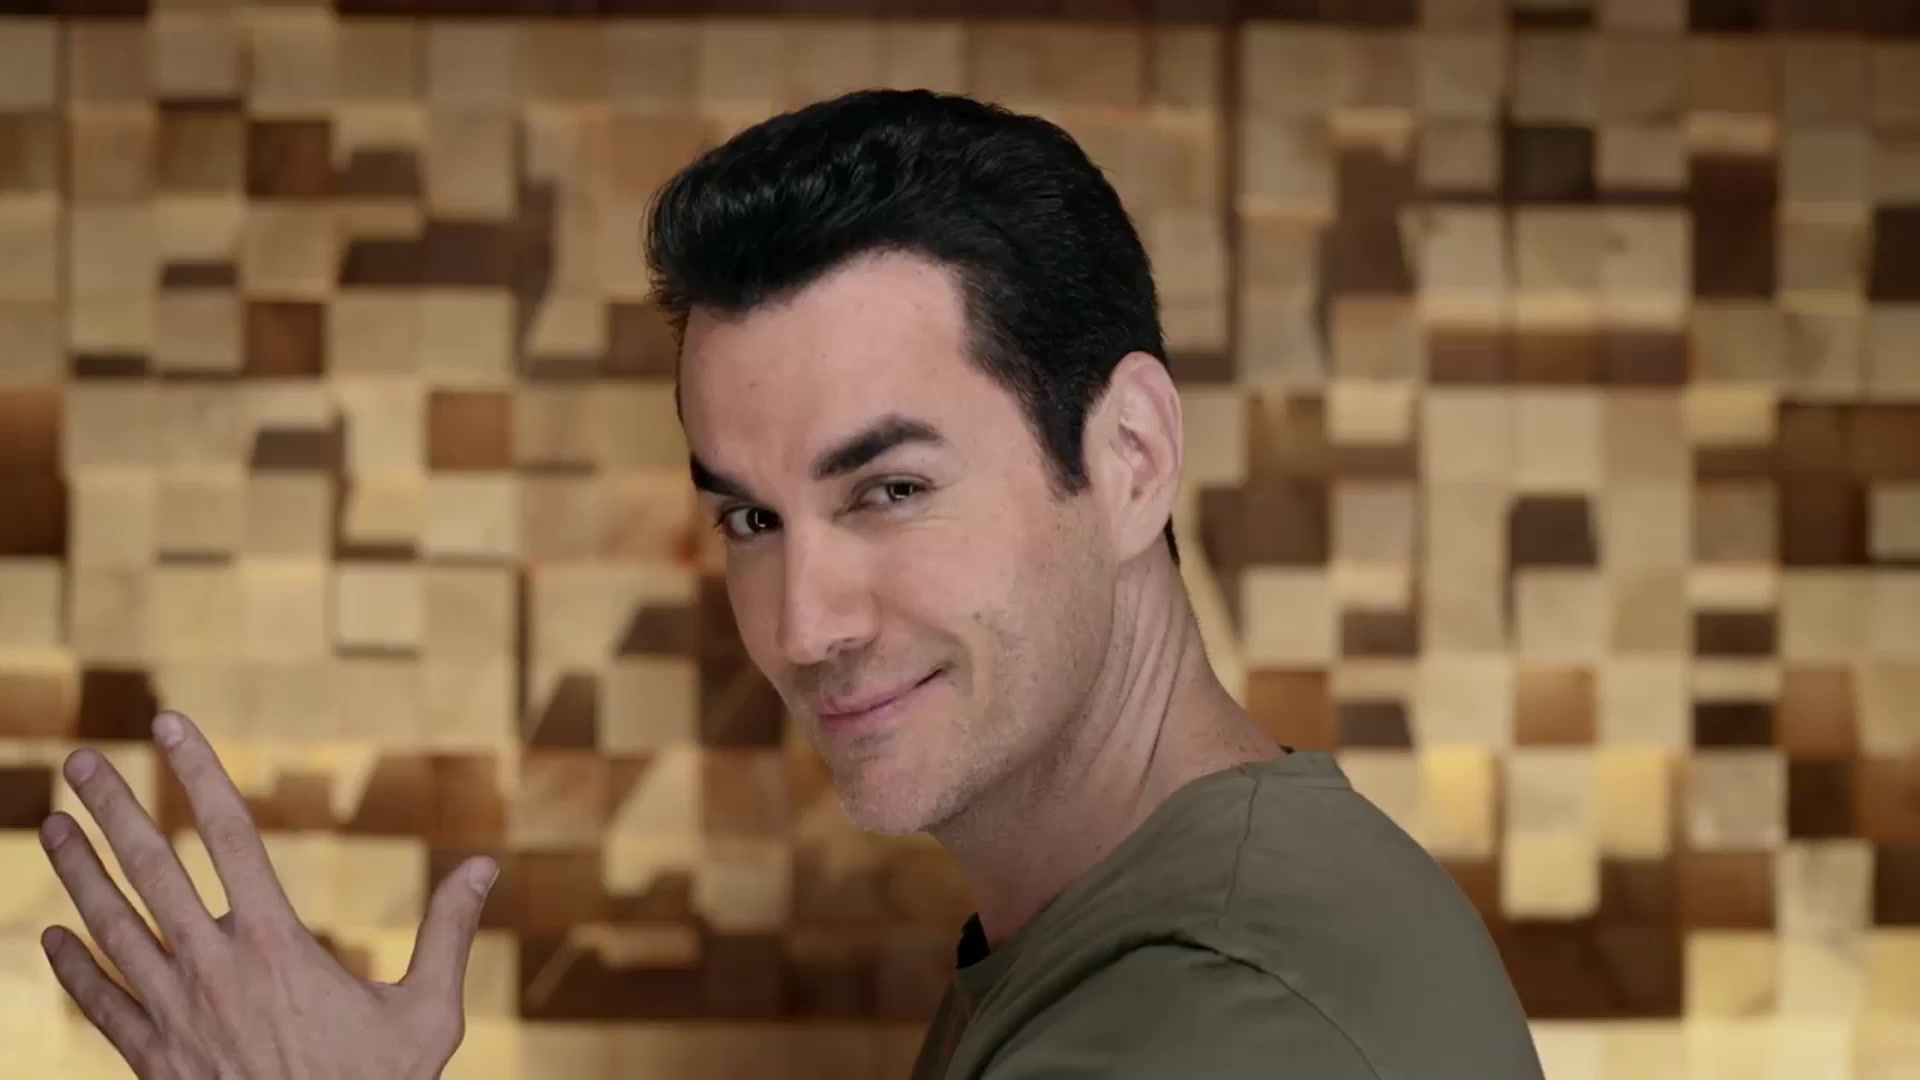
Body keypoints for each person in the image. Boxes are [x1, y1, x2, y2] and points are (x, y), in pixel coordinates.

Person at [34, 89, 1545, 1079]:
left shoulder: (1229, 1020)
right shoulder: (1123, 941)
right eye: (752, 518)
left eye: (889, 490)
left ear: (1132, 457)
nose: (804, 626)